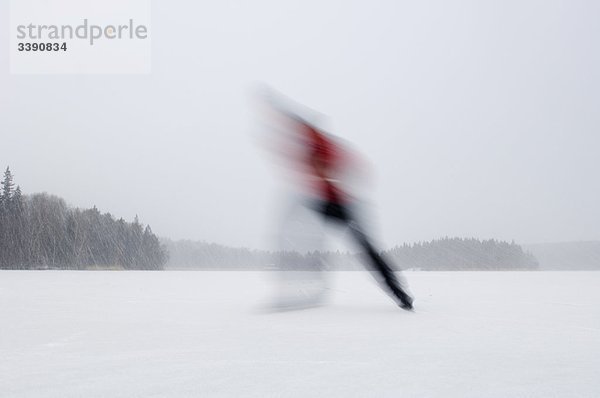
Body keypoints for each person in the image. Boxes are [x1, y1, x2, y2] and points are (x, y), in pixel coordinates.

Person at [261, 91, 413, 311]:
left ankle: (400, 294)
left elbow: (346, 165)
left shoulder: (321, 143)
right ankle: (300, 282)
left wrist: (331, 176)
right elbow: (296, 123)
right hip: (323, 202)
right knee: (294, 220)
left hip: (339, 205)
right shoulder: (311, 143)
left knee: (366, 250)